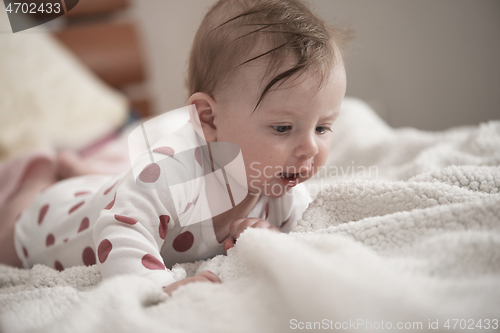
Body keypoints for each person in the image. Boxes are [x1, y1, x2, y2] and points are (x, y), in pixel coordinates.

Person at [0, 0, 348, 296]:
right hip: (52, 221)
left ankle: (86, 174)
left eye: (323, 127)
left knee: (122, 189)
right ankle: (40, 177)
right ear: (209, 119)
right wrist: (155, 286)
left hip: (113, 193)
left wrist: (267, 237)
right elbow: (120, 229)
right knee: (8, 239)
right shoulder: (171, 173)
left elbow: (297, 236)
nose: (309, 148)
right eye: (283, 128)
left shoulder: (283, 190)